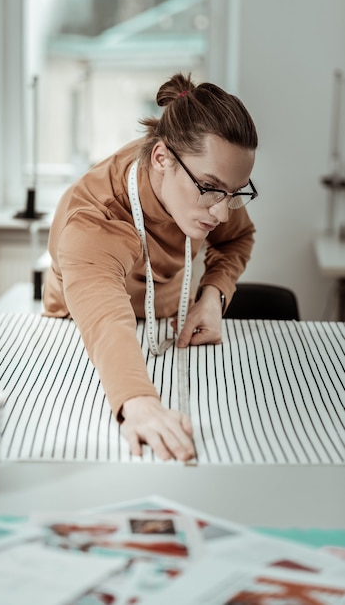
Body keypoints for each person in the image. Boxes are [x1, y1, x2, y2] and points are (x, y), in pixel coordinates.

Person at [43, 72, 258, 463]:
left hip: (172, 327)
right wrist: (138, 403)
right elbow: (106, 322)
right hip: (83, 335)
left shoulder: (205, 189)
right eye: (211, 189)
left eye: (234, 193)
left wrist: (213, 297)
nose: (222, 212)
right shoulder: (95, 216)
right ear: (161, 158)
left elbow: (236, 239)